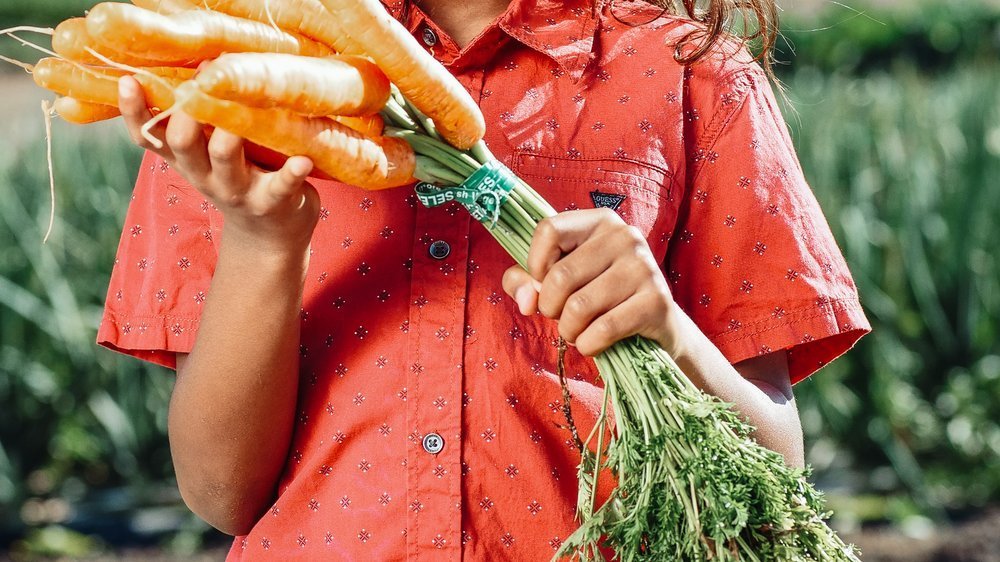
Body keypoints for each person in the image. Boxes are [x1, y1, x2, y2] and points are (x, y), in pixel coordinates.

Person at [100, 0, 870, 559]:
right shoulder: (237, 85)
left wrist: (668, 332)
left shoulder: (691, 79)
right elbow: (219, 493)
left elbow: (767, 478)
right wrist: (264, 243)